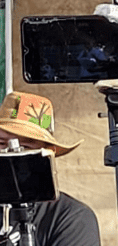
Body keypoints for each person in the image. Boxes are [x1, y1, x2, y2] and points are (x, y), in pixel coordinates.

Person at [0, 91, 101, 246]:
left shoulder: (71, 218)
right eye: (1, 144)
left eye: (25, 147)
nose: (10, 154)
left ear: (47, 154)